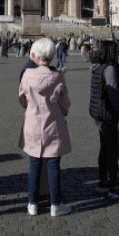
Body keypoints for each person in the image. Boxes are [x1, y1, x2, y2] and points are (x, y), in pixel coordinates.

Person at [18, 37, 72, 217]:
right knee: (53, 164)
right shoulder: (57, 77)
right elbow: (65, 104)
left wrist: (31, 107)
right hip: (53, 123)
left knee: (34, 164)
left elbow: (21, 99)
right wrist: (61, 111)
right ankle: (55, 204)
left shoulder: (27, 75)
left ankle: (32, 203)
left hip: (33, 123)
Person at [89, 39, 119, 198]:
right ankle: (114, 184)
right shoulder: (109, 69)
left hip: (99, 113)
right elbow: (113, 94)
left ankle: (103, 181)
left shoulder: (97, 68)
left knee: (104, 149)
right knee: (112, 150)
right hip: (108, 114)